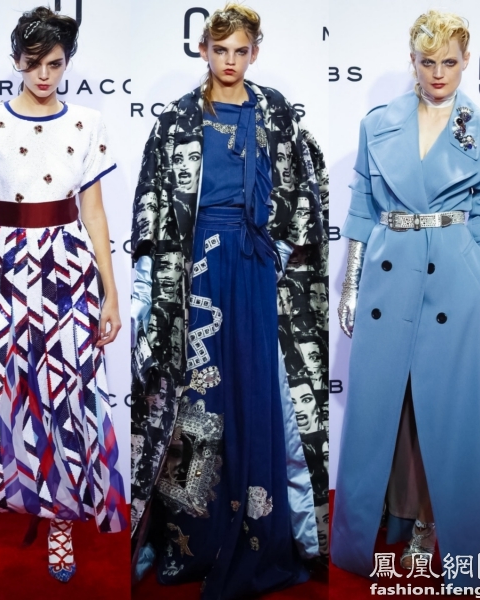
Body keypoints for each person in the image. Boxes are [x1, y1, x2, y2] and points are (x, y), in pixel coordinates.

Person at [130, 4, 329, 597]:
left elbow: (305, 188)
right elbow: (153, 205)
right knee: (198, 400)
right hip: (197, 273)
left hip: (257, 270)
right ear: (204, 50)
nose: (230, 61)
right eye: (220, 50)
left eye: (241, 51)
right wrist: (155, 287)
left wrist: (281, 251)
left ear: (255, 52)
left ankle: (262, 535)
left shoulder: (276, 114)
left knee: (258, 393)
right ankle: (192, 539)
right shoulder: (177, 120)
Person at [331, 10, 480, 587]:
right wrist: (351, 284)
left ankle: (443, 528)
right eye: (427, 61)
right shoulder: (379, 125)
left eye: (449, 61)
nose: (438, 73)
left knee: (452, 414)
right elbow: (362, 207)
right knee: (394, 413)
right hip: (389, 277)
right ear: (412, 61)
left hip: (453, 280)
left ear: (466, 61)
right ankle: (398, 519)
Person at [0, 6, 127, 583]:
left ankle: (61, 522)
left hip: (71, 275)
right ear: (16, 60)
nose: (44, 74)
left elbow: (95, 214)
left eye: (55, 64)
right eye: (33, 62)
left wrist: (111, 295)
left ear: (67, 64)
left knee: (67, 401)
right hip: (13, 271)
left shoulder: (87, 123)